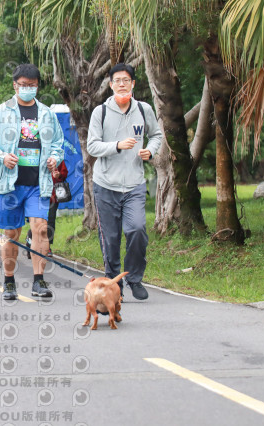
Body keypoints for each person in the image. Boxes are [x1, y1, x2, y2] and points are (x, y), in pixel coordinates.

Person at [0, 63, 64, 300]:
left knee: (40, 229)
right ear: (15, 85)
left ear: (38, 86)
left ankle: (38, 281)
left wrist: (54, 158)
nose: (28, 89)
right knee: (11, 233)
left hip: (39, 183)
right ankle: (9, 281)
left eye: (32, 85)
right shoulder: (0, 112)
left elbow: (58, 143)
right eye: (23, 85)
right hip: (10, 184)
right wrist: (1, 156)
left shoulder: (47, 114)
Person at [86, 63, 162, 300]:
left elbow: (157, 135)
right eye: (117, 80)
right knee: (110, 237)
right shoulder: (101, 112)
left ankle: (134, 278)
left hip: (134, 184)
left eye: (126, 80)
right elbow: (92, 146)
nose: (121, 84)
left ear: (133, 84)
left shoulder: (143, 109)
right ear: (110, 85)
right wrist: (117, 146)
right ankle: (112, 281)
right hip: (105, 184)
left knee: (137, 229)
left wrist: (150, 150)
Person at [26, 160, 68, 258]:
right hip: (37, 195)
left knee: (50, 222)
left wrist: (59, 175)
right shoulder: (36, 156)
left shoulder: (57, 157)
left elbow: (64, 173)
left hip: (52, 197)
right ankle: (30, 240)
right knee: (37, 222)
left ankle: (47, 246)